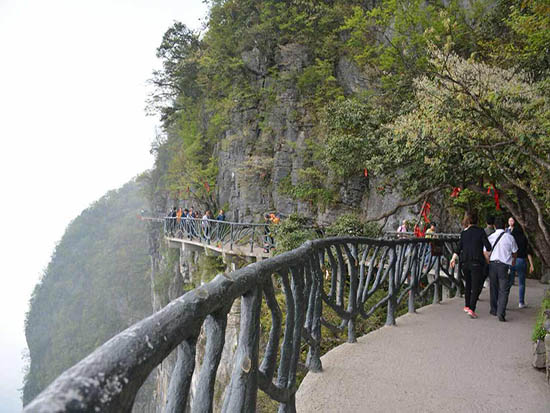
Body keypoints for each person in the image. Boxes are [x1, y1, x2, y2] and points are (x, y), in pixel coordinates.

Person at [450, 211, 491, 319]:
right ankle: (472, 309)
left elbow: (458, 248)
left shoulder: (464, 233)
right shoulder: (481, 231)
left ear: (468, 220)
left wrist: (453, 258)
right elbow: (488, 247)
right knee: (476, 286)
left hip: (465, 263)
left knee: (468, 284)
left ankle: (467, 306)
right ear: (477, 220)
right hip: (476, 262)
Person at [486, 217, 518, 322]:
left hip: (492, 264)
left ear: (494, 226)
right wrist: (513, 261)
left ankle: (494, 309)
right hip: (504, 265)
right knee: (504, 290)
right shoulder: (510, 238)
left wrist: (488, 261)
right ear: (505, 226)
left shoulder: (490, 237)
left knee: (493, 287)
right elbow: (515, 251)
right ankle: (501, 312)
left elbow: (485, 251)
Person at [510, 225, 534, 308]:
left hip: (511, 260)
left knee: (508, 283)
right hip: (521, 260)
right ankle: (521, 302)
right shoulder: (524, 238)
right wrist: (531, 265)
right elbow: (528, 252)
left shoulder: (510, 238)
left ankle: (504, 301)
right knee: (521, 283)